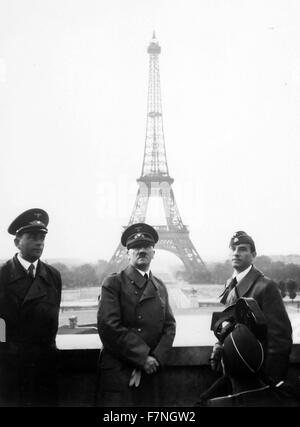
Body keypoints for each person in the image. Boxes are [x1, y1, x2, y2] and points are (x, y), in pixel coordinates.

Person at [96, 223, 176, 407]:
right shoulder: (113, 283)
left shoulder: (160, 285)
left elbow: (169, 326)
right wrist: (142, 357)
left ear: (154, 252)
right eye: (135, 247)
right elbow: (109, 326)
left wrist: (154, 359)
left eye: (146, 246)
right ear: (127, 253)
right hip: (121, 370)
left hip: (150, 370)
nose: (141, 250)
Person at [210, 231, 292, 385]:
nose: (236, 253)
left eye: (242, 249)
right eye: (233, 249)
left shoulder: (266, 287)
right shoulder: (230, 284)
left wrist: (272, 380)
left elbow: (280, 339)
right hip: (233, 372)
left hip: (257, 379)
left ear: (253, 255)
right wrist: (219, 347)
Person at [0, 208, 62, 406]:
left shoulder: (53, 276)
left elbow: (51, 324)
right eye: (33, 237)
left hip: (45, 367)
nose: (39, 242)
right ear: (17, 242)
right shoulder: (2, 276)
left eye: (42, 238)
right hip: (12, 369)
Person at [203, 323, 299, 407]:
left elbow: (200, 404)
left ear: (224, 366)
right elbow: (272, 385)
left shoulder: (215, 404)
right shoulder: (288, 396)